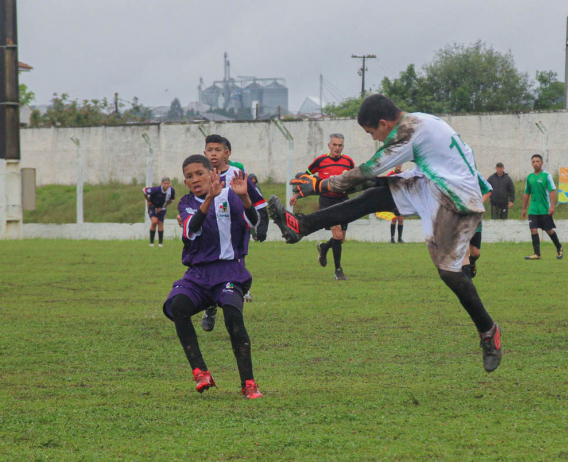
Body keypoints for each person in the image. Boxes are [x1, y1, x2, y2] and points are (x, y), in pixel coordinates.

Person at [267, 94, 503, 372]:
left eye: (372, 133)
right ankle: (301, 226)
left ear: (382, 122)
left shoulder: (408, 132)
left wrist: (318, 186)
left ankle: (489, 332)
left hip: (456, 199)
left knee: (449, 273)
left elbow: (368, 169)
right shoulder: (421, 120)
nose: (374, 139)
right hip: (432, 182)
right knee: (374, 196)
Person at [162, 154, 262, 399]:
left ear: (212, 174)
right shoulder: (186, 203)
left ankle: (248, 383)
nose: (195, 179)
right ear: (185, 182)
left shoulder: (231, 195)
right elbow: (191, 230)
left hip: (229, 270)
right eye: (189, 176)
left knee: (232, 313)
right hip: (198, 274)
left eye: (199, 174)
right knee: (178, 307)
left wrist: (246, 198)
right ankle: (200, 372)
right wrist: (208, 199)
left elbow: (254, 222)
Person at [200, 135, 266, 331]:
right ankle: (210, 307)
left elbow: (259, 202)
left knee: (234, 276)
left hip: (235, 235)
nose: (213, 153)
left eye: (217, 150)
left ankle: (235, 318)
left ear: (226, 153)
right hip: (209, 234)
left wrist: (262, 226)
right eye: (210, 150)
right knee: (207, 273)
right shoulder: (201, 175)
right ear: (205, 153)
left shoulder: (237, 174)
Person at [291, 133, 355, 281]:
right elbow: (305, 180)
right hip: (327, 201)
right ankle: (338, 271)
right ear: (329, 145)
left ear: (343, 147)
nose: (337, 148)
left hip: (343, 201)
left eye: (340, 145)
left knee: (341, 239)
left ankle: (325, 247)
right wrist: (297, 195)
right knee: (337, 236)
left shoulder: (348, 162)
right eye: (335, 145)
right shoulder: (320, 161)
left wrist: (350, 187)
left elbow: (353, 179)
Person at [521, 154, 563, 260]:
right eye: (533, 162)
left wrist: (552, 206)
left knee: (549, 230)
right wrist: (524, 209)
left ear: (542, 163)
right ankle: (537, 254)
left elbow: (552, 191)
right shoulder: (529, 177)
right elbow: (526, 193)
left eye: (537, 161)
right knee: (533, 230)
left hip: (544, 208)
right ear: (531, 163)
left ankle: (559, 247)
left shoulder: (546, 176)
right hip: (533, 209)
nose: (535, 163)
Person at [143, 177, 175, 247]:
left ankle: (160, 243)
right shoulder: (156, 189)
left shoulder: (171, 190)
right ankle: (151, 242)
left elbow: (171, 200)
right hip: (153, 207)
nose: (166, 185)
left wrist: (163, 207)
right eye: (165, 183)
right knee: (154, 222)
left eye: (168, 183)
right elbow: (144, 191)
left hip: (162, 208)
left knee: (161, 223)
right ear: (161, 184)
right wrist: (148, 200)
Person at [387, 165, 405, 243]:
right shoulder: (390, 174)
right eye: (397, 164)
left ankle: (400, 238)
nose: (398, 166)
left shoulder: (404, 174)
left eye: (400, 164)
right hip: (393, 199)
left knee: (401, 219)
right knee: (394, 218)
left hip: (401, 199)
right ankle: (392, 238)